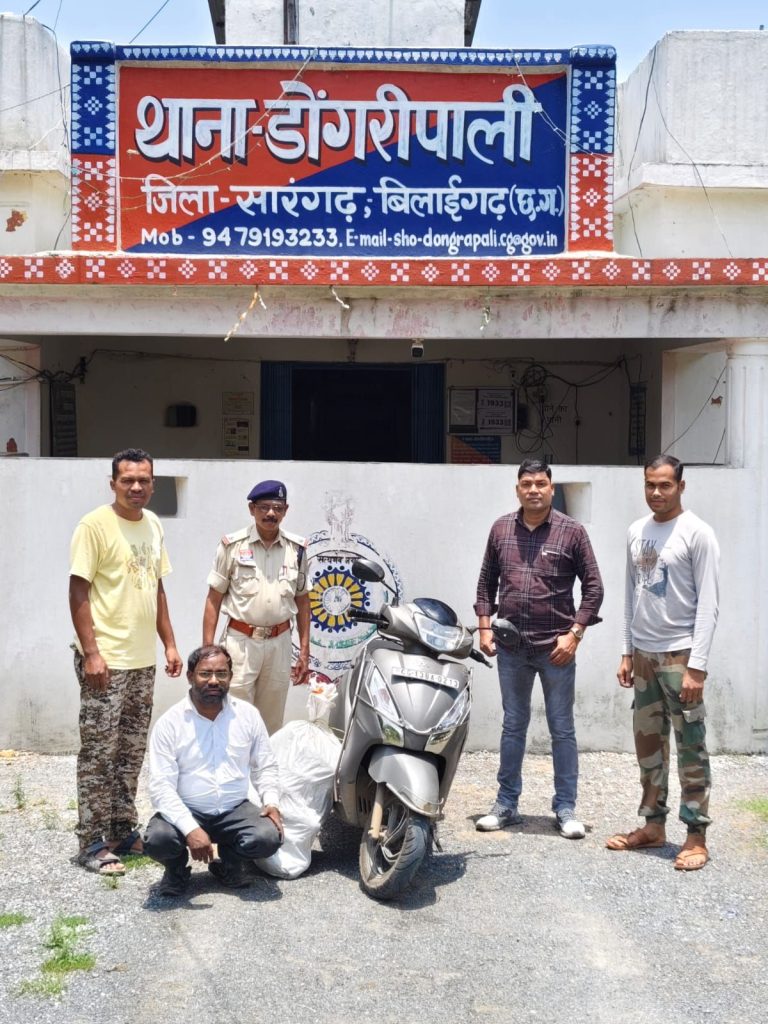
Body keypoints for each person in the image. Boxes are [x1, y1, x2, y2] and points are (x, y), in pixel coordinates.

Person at [474, 458, 604, 838]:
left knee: (562, 728)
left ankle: (565, 808)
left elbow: (594, 587)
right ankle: (506, 805)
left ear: (551, 488)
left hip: (555, 650)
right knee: (513, 725)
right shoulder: (501, 529)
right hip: (511, 647)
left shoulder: (572, 532)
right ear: (518, 490)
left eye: (540, 484)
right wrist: (485, 628)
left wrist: (575, 634)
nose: (534, 490)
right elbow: (486, 583)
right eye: (526, 484)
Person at [69, 448, 182, 876]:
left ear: (153, 484)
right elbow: (78, 591)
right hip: (106, 661)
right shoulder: (94, 525)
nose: (136, 487)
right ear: (112, 483)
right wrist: (92, 653)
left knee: (131, 751)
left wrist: (169, 644)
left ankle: (121, 830)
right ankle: (91, 841)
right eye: (127, 480)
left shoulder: (152, 524)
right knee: (99, 753)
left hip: (141, 660)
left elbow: (156, 589)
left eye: (143, 480)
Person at [606, 455, 719, 871]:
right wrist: (626, 651)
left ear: (681, 487)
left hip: (680, 655)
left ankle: (696, 836)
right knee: (649, 747)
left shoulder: (697, 533)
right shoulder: (637, 531)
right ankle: (653, 826)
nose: (656, 492)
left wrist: (697, 667)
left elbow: (709, 605)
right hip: (643, 656)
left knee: (691, 747)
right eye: (650, 485)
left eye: (665, 485)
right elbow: (630, 593)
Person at [143, 645, 283, 896]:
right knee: (158, 840)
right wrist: (190, 829)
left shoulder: (248, 715)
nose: (214, 681)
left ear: (231, 676)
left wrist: (271, 802)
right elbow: (160, 787)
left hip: (234, 808)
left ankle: (229, 864)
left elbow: (265, 765)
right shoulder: (170, 723)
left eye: (221, 673)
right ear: (190, 676)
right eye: (205, 673)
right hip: (188, 807)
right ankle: (175, 870)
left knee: (268, 837)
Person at [202, 479, 310, 734]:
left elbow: (303, 600)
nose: (271, 513)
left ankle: (264, 761)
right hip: (240, 643)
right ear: (252, 509)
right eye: (264, 507)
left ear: (285, 510)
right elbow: (213, 599)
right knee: (233, 716)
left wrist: (305, 650)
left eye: (277, 508)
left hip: (279, 644)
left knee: (271, 721)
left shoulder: (297, 550)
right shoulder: (232, 546)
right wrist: (208, 651)